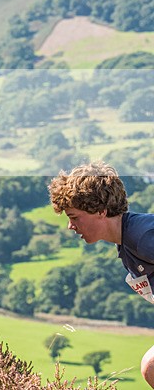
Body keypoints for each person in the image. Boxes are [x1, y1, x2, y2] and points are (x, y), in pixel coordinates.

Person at [48, 161, 154, 387]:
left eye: (74, 217)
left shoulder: (143, 238)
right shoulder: (127, 244)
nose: (70, 226)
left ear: (100, 211)